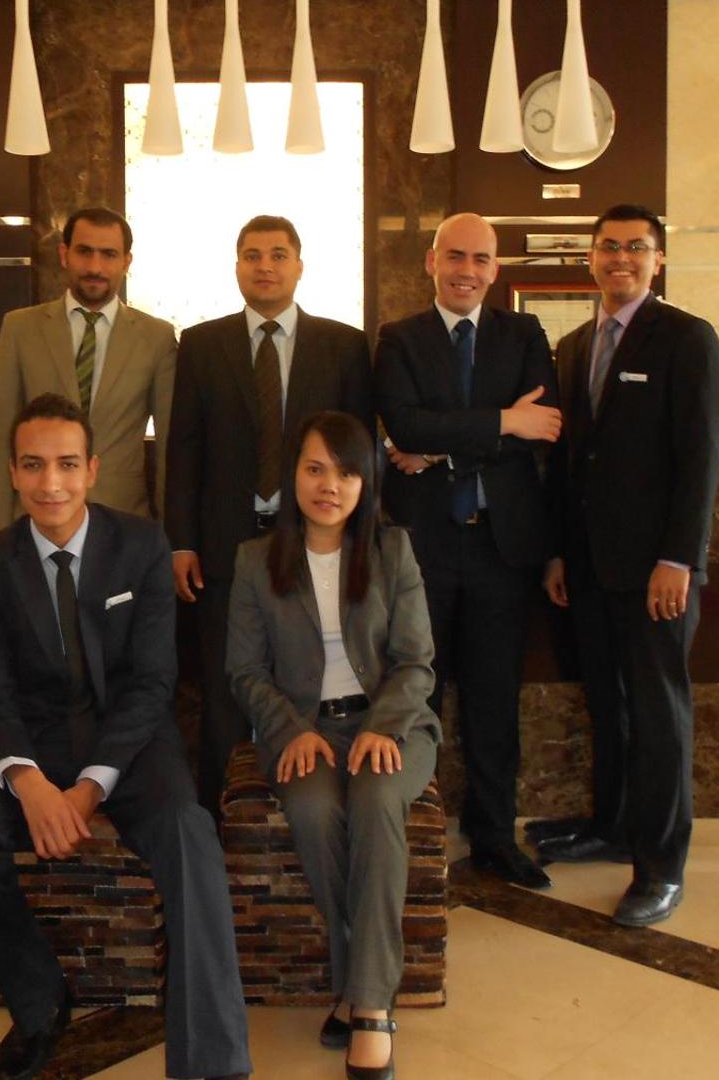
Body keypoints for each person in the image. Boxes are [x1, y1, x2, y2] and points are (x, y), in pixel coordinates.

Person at [0, 393, 251, 1080]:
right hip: (33, 738)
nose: (51, 482)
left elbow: (152, 682)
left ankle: (213, 1062)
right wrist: (29, 782)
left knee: (190, 835)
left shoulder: (142, 545)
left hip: (129, 741)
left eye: (67, 464)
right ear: (12, 473)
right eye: (34, 465)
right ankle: (40, 1000)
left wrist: (87, 789)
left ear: (93, 469)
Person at [227, 410, 440, 1080]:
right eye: (315, 468)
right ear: (292, 474)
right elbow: (245, 671)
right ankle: (362, 987)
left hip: (393, 724)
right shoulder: (255, 561)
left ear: (366, 480)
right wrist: (291, 729)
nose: (330, 485)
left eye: (346, 472)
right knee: (315, 809)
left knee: (376, 798)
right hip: (304, 731)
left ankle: (367, 1005)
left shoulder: (392, 551)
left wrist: (383, 724)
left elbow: (416, 662)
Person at [536, 203, 719, 928]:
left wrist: (679, 557)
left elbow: (700, 459)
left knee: (658, 716)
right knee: (608, 708)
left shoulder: (687, 339)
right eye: (609, 247)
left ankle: (661, 867)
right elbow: (569, 462)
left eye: (636, 248)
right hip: (589, 569)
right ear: (590, 258)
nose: (621, 258)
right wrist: (559, 550)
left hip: (656, 574)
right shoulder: (574, 345)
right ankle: (612, 827)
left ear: (658, 260)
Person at [372, 212, 560, 889]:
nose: (467, 271)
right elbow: (405, 424)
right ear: (431, 262)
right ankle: (409, 831)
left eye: (481, 259)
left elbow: (545, 428)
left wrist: (443, 444)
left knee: (493, 701)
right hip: (421, 550)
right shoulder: (400, 339)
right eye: (455, 256)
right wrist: (503, 420)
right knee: (415, 694)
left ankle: (493, 837)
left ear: (495, 270)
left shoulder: (523, 334)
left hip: (499, 550)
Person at [167, 214, 374, 810]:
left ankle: (303, 811)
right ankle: (220, 818)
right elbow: (185, 448)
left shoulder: (342, 345)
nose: (265, 266)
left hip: (316, 543)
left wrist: (361, 539)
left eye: (278, 255)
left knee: (307, 678)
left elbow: (359, 455)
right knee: (225, 686)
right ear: (236, 266)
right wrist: (181, 541)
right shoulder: (201, 344)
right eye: (252, 255)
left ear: (299, 266)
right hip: (224, 546)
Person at [0, 206, 176, 536]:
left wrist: (173, 540)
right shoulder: (20, 328)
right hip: (36, 520)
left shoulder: (157, 337)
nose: (95, 267)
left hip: (122, 523)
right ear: (64, 254)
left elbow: (170, 449)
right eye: (84, 252)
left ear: (126, 262)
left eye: (108, 254)